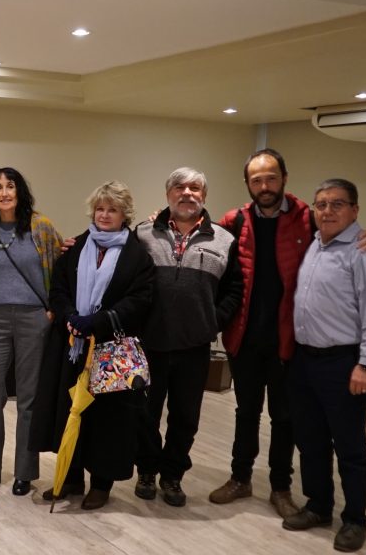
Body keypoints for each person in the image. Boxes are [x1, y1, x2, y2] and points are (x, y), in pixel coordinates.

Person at [209, 149, 366, 518]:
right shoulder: (234, 221)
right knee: (247, 412)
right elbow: (203, 242)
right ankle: (240, 478)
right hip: (246, 339)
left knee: (286, 418)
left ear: (285, 178)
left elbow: (360, 251)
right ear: (248, 184)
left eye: (271, 177)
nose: (264, 185)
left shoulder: (308, 219)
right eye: (256, 179)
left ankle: (280, 487)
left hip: (290, 342)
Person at [31, 181, 154, 510]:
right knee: (69, 413)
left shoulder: (137, 255)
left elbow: (139, 300)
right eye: (100, 208)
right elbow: (58, 288)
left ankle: (101, 485)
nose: (104, 214)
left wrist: (97, 321)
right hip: (72, 345)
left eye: (112, 209)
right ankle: (70, 478)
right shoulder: (75, 247)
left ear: (124, 214)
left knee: (109, 421)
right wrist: (70, 316)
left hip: (112, 349)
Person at [284, 179, 366, 553]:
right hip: (304, 361)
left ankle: (355, 519)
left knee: (350, 446)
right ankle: (318, 506)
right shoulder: (314, 243)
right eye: (321, 204)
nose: (327, 211)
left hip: (345, 363)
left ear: (355, 210)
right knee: (310, 441)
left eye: (337, 204)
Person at [133, 167, 242, 507]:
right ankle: (147, 471)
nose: (187, 193)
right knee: (145, 414)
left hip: (195, 346)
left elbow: (234, 290)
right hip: (149, 344)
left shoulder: (224, 240)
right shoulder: (142, 234)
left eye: (195, 188)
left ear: (204, 196)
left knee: (185, 418)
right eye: (179, 187)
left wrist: (212, 323)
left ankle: (173, 476)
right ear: (168, 194)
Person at [0, 167, 63, 496]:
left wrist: (53, 308)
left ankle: (25, 472)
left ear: (19, 191)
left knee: (28, 399)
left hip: (33, 318)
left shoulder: (41, 227)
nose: (4, 192)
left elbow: (59, 267)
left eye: (10, 186)